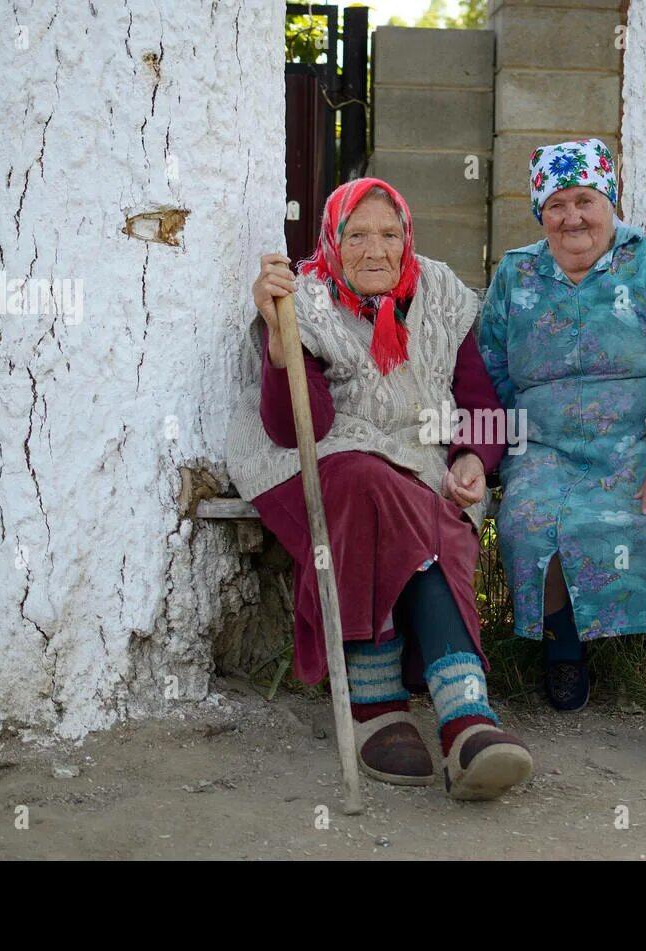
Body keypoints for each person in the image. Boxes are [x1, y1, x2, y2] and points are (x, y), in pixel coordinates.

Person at [226, 178, 533, 799]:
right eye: (357, 234)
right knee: (370, 483)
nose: (375, 250)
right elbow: (293, 429)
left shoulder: (442, 292)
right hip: (313, 463)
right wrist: (281, 338)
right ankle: (394, 703)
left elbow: (479, 401)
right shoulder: (302, 301)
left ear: (407, 238)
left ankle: (461, 720)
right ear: (332, 241)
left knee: (426, 512)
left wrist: (475, 456)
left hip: (418, 463)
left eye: (389, 234)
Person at [478, 139, 646, 765]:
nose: (573, 218)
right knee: (530, 520)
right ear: (540, 211)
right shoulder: (516, 273)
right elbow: (488, 371)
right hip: (546, 447)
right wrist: (484, 457)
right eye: (556, 204)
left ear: (609, 202)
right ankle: (565, 649)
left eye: (585, 201)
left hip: (642, 443)